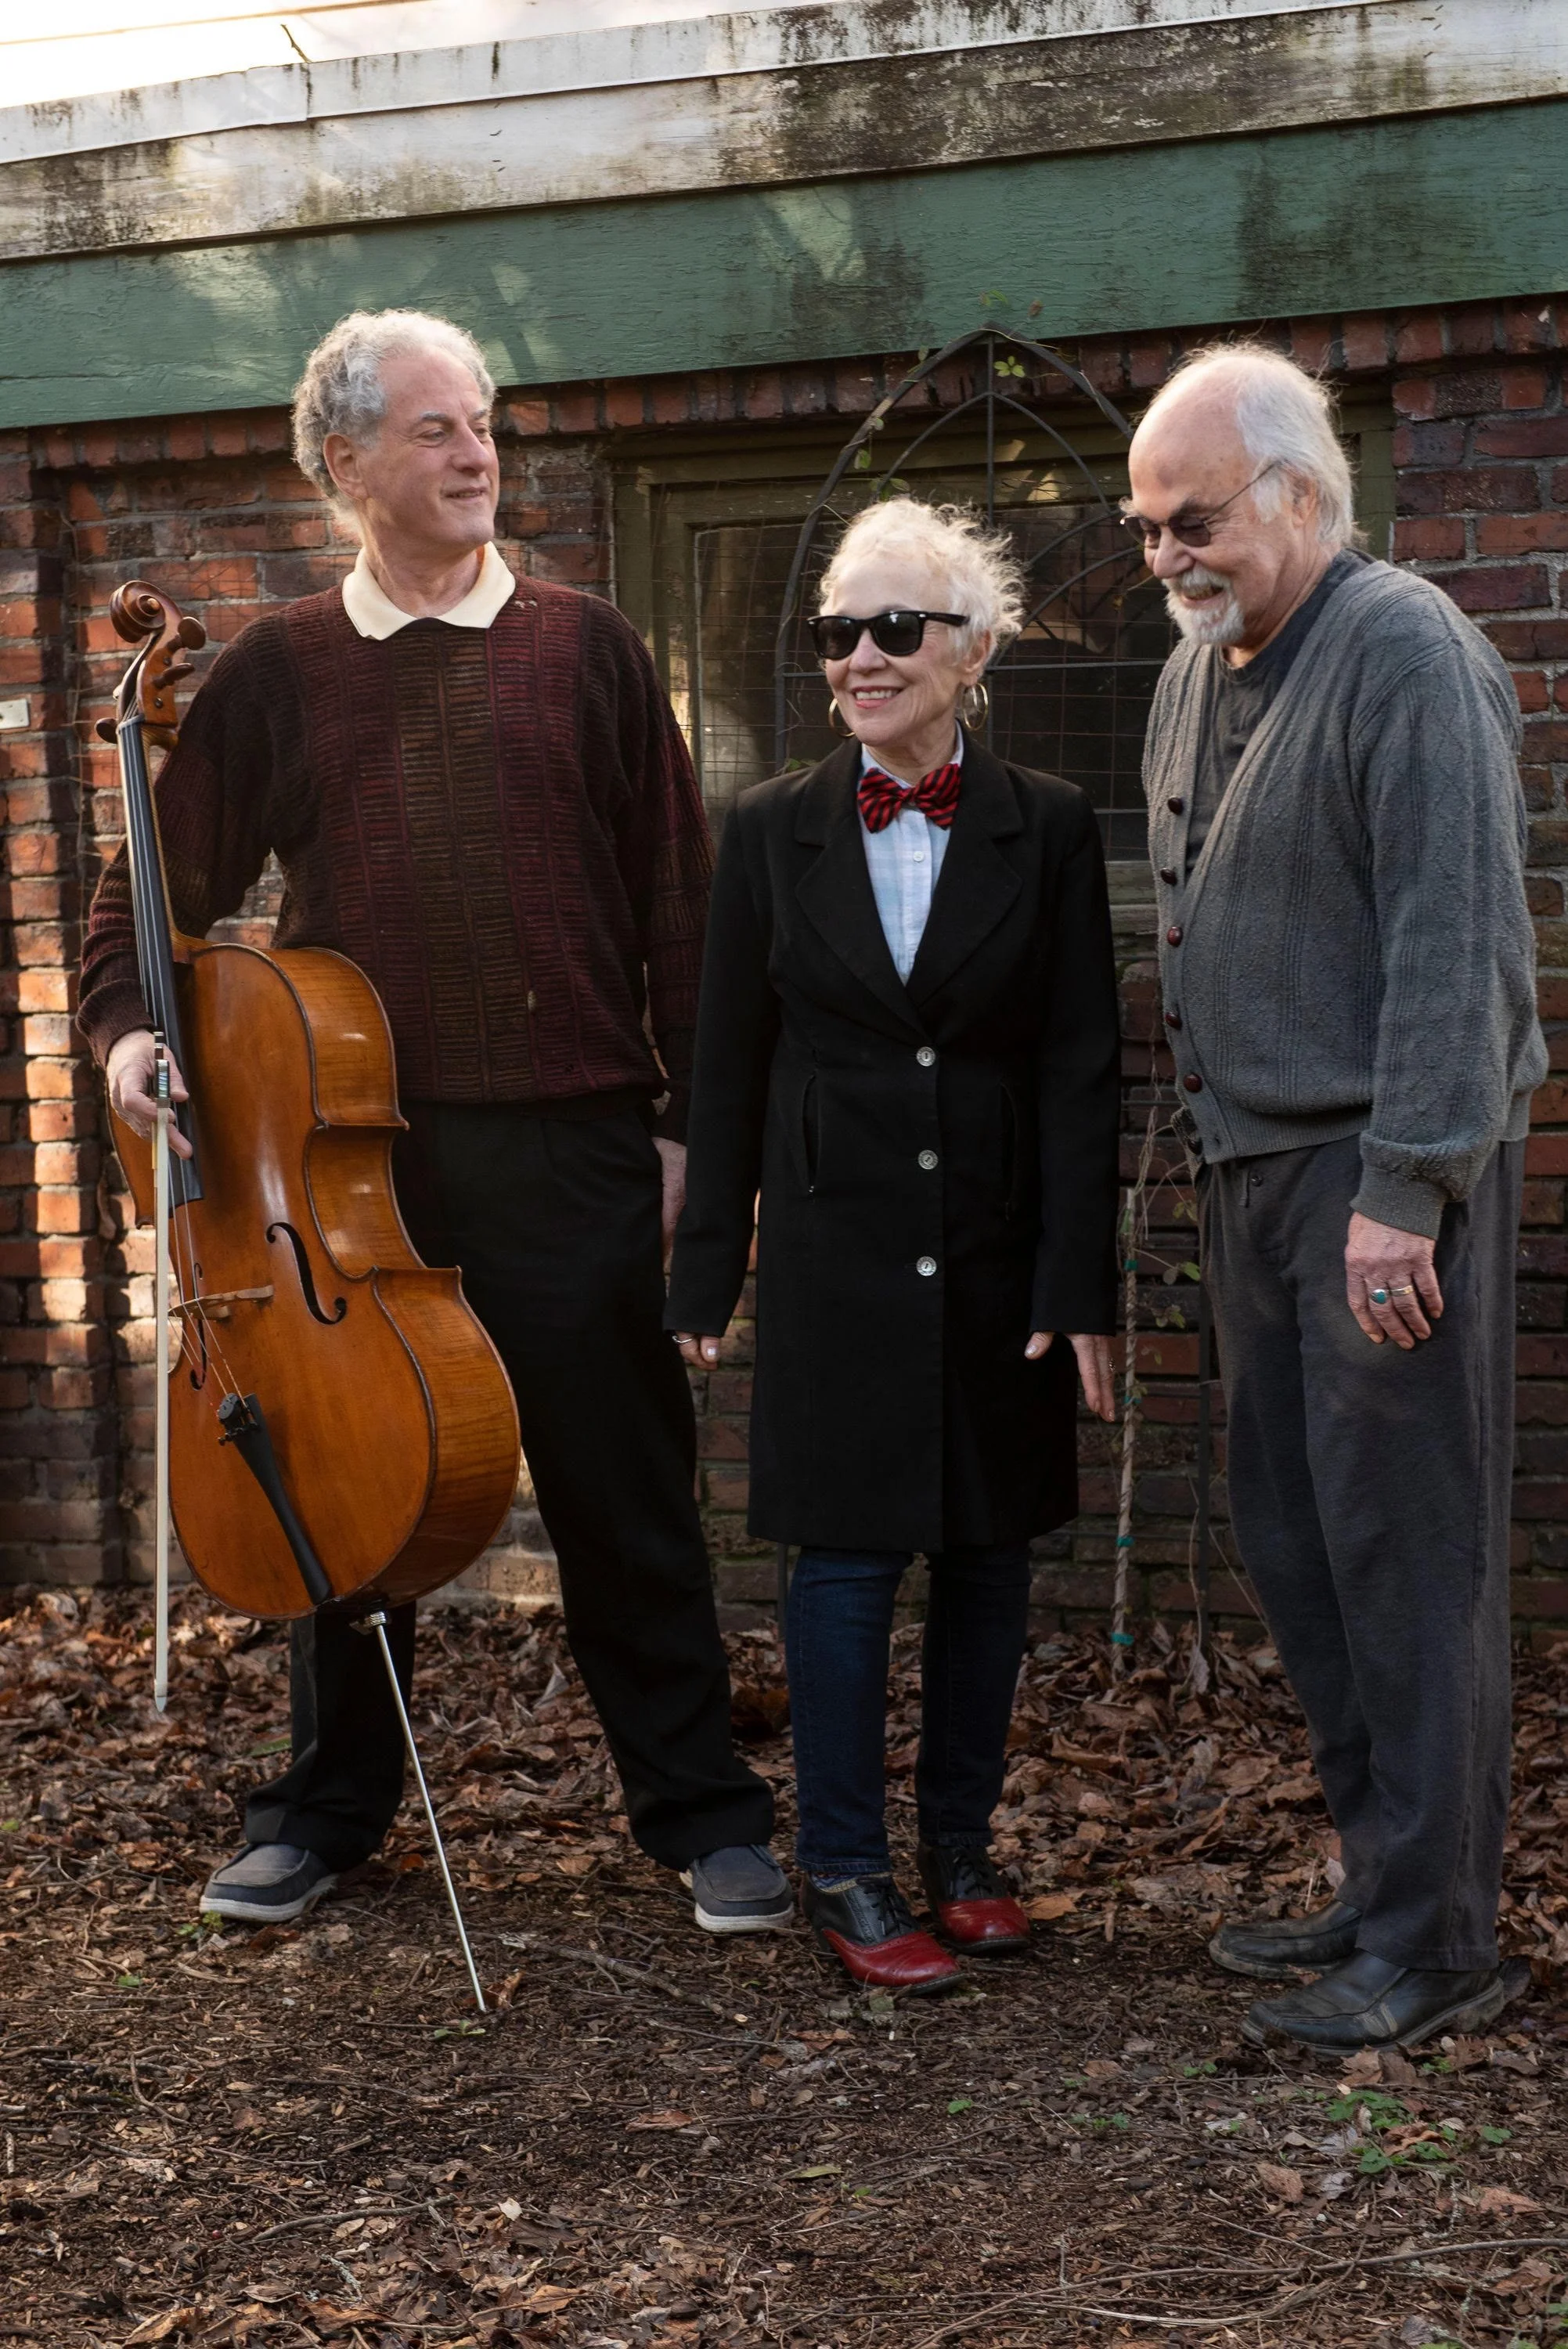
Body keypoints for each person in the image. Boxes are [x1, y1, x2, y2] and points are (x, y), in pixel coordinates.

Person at [79, 307, 790, 1942]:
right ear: (347, 465)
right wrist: (125, 1038)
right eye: (437, 431)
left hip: (577, 1143)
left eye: (485, 427)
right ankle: (325, 1811)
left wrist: (686, 1130)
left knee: (623, 1491)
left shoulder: (588, 646)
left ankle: (698, 1813)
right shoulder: (275, 673)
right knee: (348, 1483)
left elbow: (678, 907)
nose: (479, 455)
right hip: (354, 1163)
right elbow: (145, 904)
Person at [1129, 345, 1545, 2051]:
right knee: (1298, 1544)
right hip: (1253, 1175)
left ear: (1299, 492)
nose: (1164, 553)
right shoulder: (1201, 664)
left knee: (1399, 1546)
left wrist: (1407, 1187)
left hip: (1375, 1185)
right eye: (1145, 526)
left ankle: (1439, 1942)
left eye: (1194, 518)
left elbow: (1458, 941)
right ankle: (1382, 1885)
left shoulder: (1400, 650)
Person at [667, 499, 1121, 1991]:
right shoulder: (769, 829)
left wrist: (1074, 1277)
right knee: (847, 1563)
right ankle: (851, 1873)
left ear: (971, 650)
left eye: (892, 628)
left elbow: (1075, 1067)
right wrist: (702, 1278)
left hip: (995, 1256)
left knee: (989, 1560)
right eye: (834, 633)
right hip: (830, 1252)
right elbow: (726, 1070)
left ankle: (965, 1855)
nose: (859, 658)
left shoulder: (1045, 824)